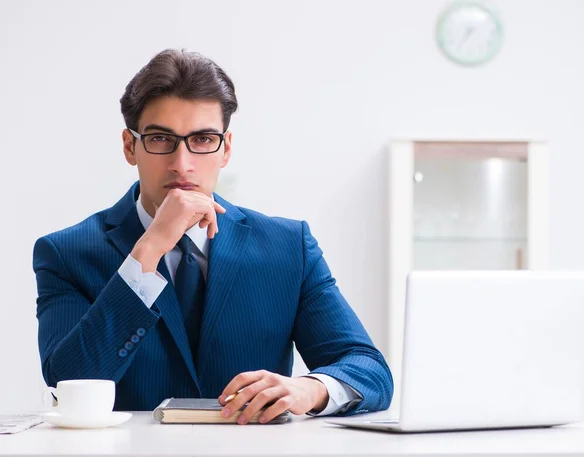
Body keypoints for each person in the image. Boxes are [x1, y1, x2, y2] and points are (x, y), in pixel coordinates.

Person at [33, 49, 393, 424]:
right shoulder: (65, 253)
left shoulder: (288, 246)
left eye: (203, 139)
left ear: (226, 149)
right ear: (130, 146)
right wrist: (148, 252)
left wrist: (310, 388)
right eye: (160, 139)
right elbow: (66, 381)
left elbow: (369, 370)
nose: (182, 163)